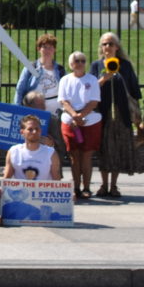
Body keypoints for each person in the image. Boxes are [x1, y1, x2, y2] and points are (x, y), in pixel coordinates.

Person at [90, 32, 144, 198]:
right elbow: (90, 89)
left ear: (117, 47)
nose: (107, 47)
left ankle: (113, 185)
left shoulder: (125, 66)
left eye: (111, 44)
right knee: (104, 149)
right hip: (102, 113)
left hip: (122, 113)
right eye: (104, 44)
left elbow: (134, 90)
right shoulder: (96, 65)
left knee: (117, 149)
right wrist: (103, 79)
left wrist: (139, 118)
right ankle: (103, 185)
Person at [59, 51, 101, 200]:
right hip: (70, 120)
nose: (80, 63)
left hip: (90, 120)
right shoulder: (65, 80)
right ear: (71, 64)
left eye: (83, 60)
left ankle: (87, 187)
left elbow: (94, 101)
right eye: (77, 61)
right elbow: (64, 101)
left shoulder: (92, 79)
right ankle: (76, 187)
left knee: (87, 156)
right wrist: (74, 116)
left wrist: (81, 115)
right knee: (74, 156)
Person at [4, 114, 62, 181]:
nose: (34, 132)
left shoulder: (51, 153)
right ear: (22, 132)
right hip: (20, 191)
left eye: (37, 129)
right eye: (30, 129)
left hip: (43, 191)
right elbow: (7, 178)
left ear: (40, 131)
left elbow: (57, 180)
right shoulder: (14, 151)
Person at [15, 33, 64, 112]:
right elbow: (20, 89)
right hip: (35, 108)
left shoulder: (60, 69)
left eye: (50, 47)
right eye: (44, 47)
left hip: (56, 109)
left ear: (54, 50)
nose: (47, 50)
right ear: (39, 49)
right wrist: (17, 109)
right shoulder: (30, 67)